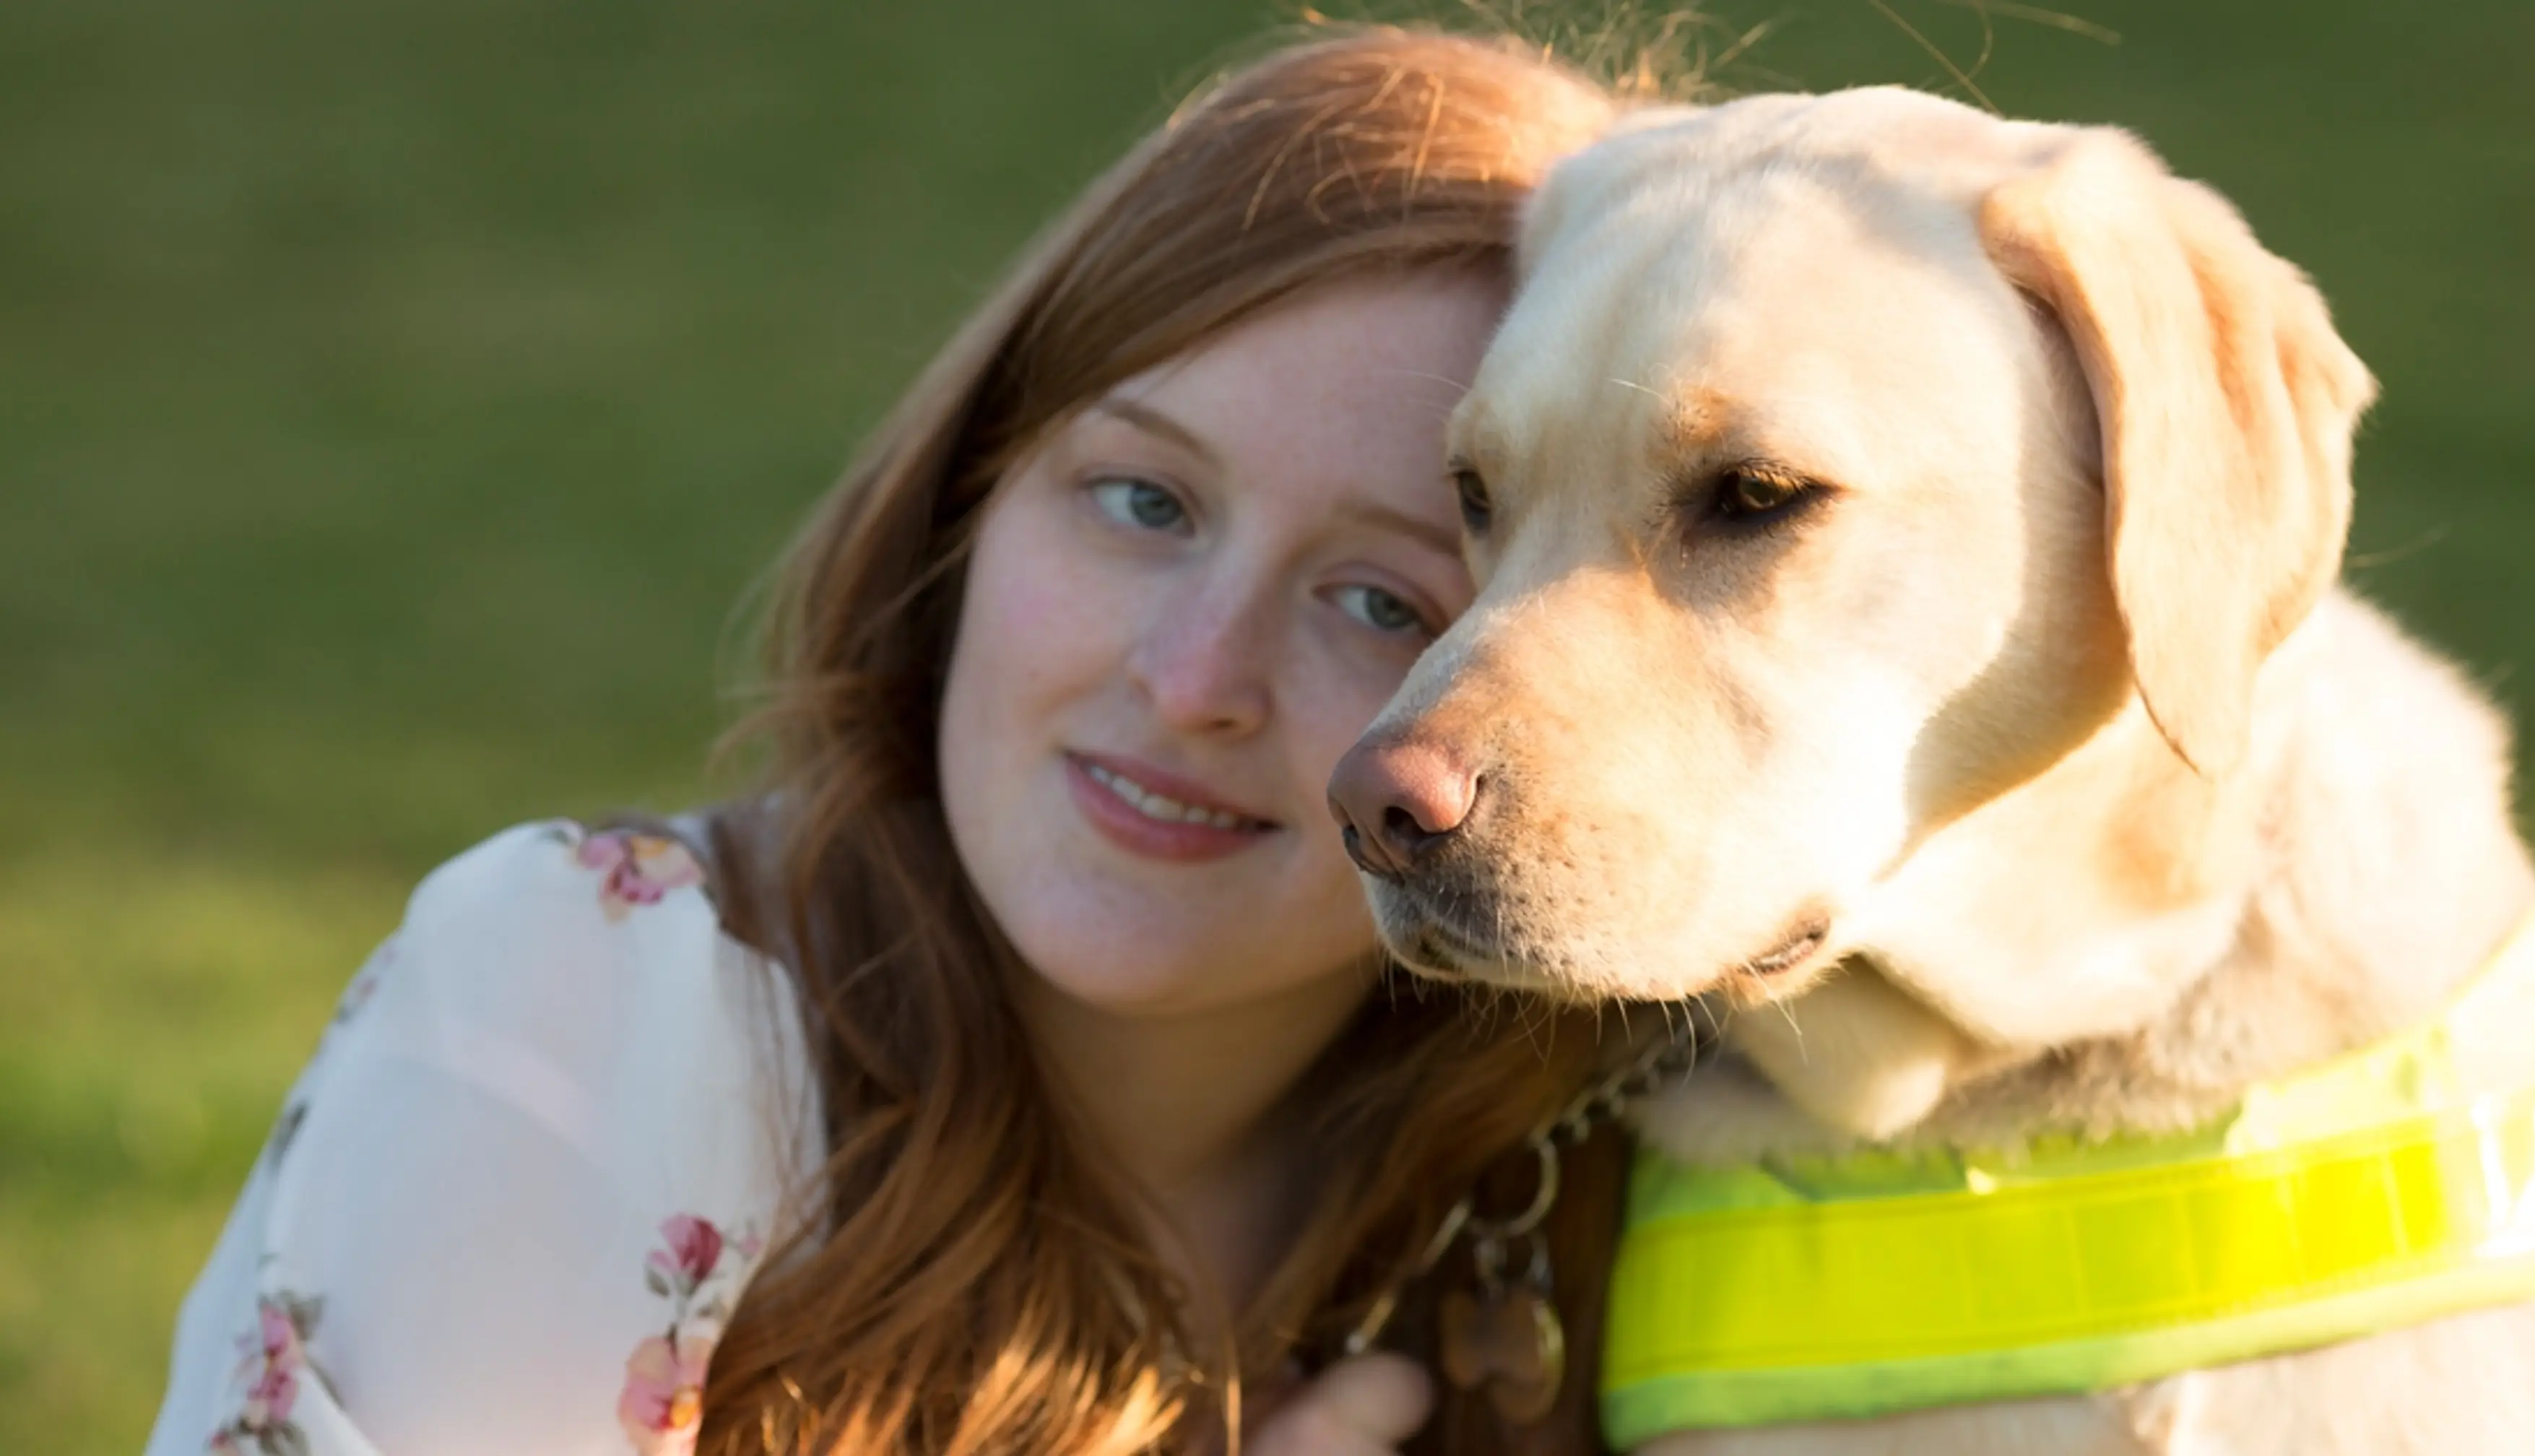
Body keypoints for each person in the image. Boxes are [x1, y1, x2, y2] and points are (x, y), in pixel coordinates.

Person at [147, 26, 1654, 1456]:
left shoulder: (1621, 1177)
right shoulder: (588, 998)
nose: (1197, 679)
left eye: (1384, 603)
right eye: (1145, 501)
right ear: (973, 493)